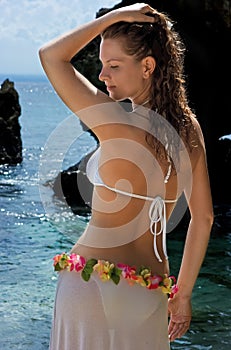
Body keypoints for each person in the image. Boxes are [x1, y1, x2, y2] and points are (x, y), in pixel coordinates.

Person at [39, 3, 214, 349]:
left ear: (148, 66)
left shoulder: (113, 121)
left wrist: (112, 18)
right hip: (149, 292)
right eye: (102, 66)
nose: (103, 76)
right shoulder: (190, 130)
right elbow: (204, 218)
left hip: (90, 284)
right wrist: (183, 295)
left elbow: (51, 57)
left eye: (114, 66)